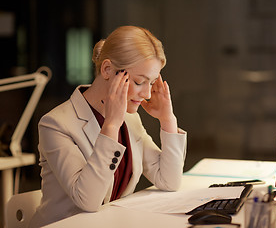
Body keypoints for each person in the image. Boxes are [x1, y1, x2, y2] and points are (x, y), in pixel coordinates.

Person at [29, 26, 187, 227]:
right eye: (140, 82)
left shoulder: (130, 119)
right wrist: (111, 126)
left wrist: (168, 120)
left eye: (152, 82)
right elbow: (87, 200)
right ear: (107, 70)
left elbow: (169, 181)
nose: (147, 94)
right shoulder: (56, 124)